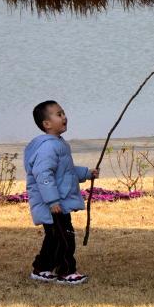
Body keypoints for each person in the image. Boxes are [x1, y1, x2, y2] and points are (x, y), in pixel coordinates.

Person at [24, 100, 98, 285]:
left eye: (63, 113)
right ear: (47, 124)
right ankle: (66, 271)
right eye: (59, 114)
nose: (64, 117)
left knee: (54, 237)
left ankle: (42, 268)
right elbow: (43, 174)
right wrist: (52, 201)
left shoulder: (59, 143)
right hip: (53, 204)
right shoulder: (48, 147)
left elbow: (65, 171)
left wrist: (87, 173)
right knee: (64, 237)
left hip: (58, 202)